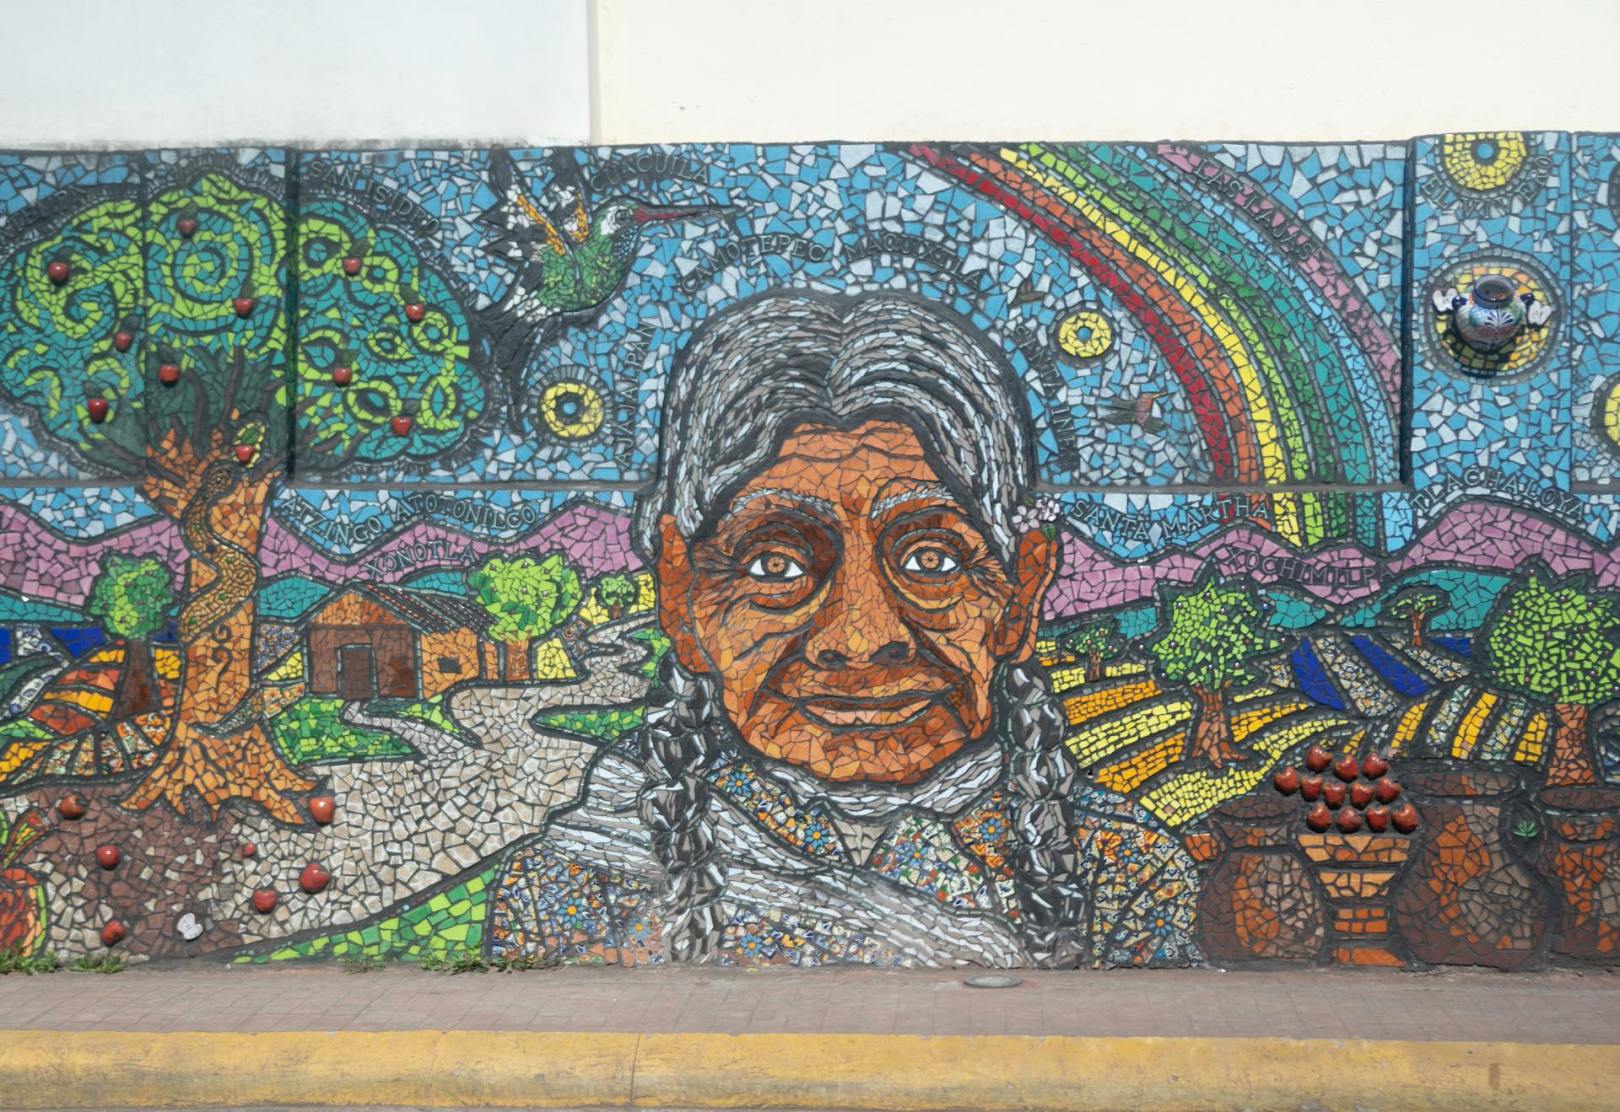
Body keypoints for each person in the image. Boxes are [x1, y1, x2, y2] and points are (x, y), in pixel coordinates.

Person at [488, 291, 1199, 968]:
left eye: (932, 559)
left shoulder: (1123, 872)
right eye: (775, 564)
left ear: (1021, 595)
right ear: (681, 595)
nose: (859, 639)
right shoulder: (578, 880)